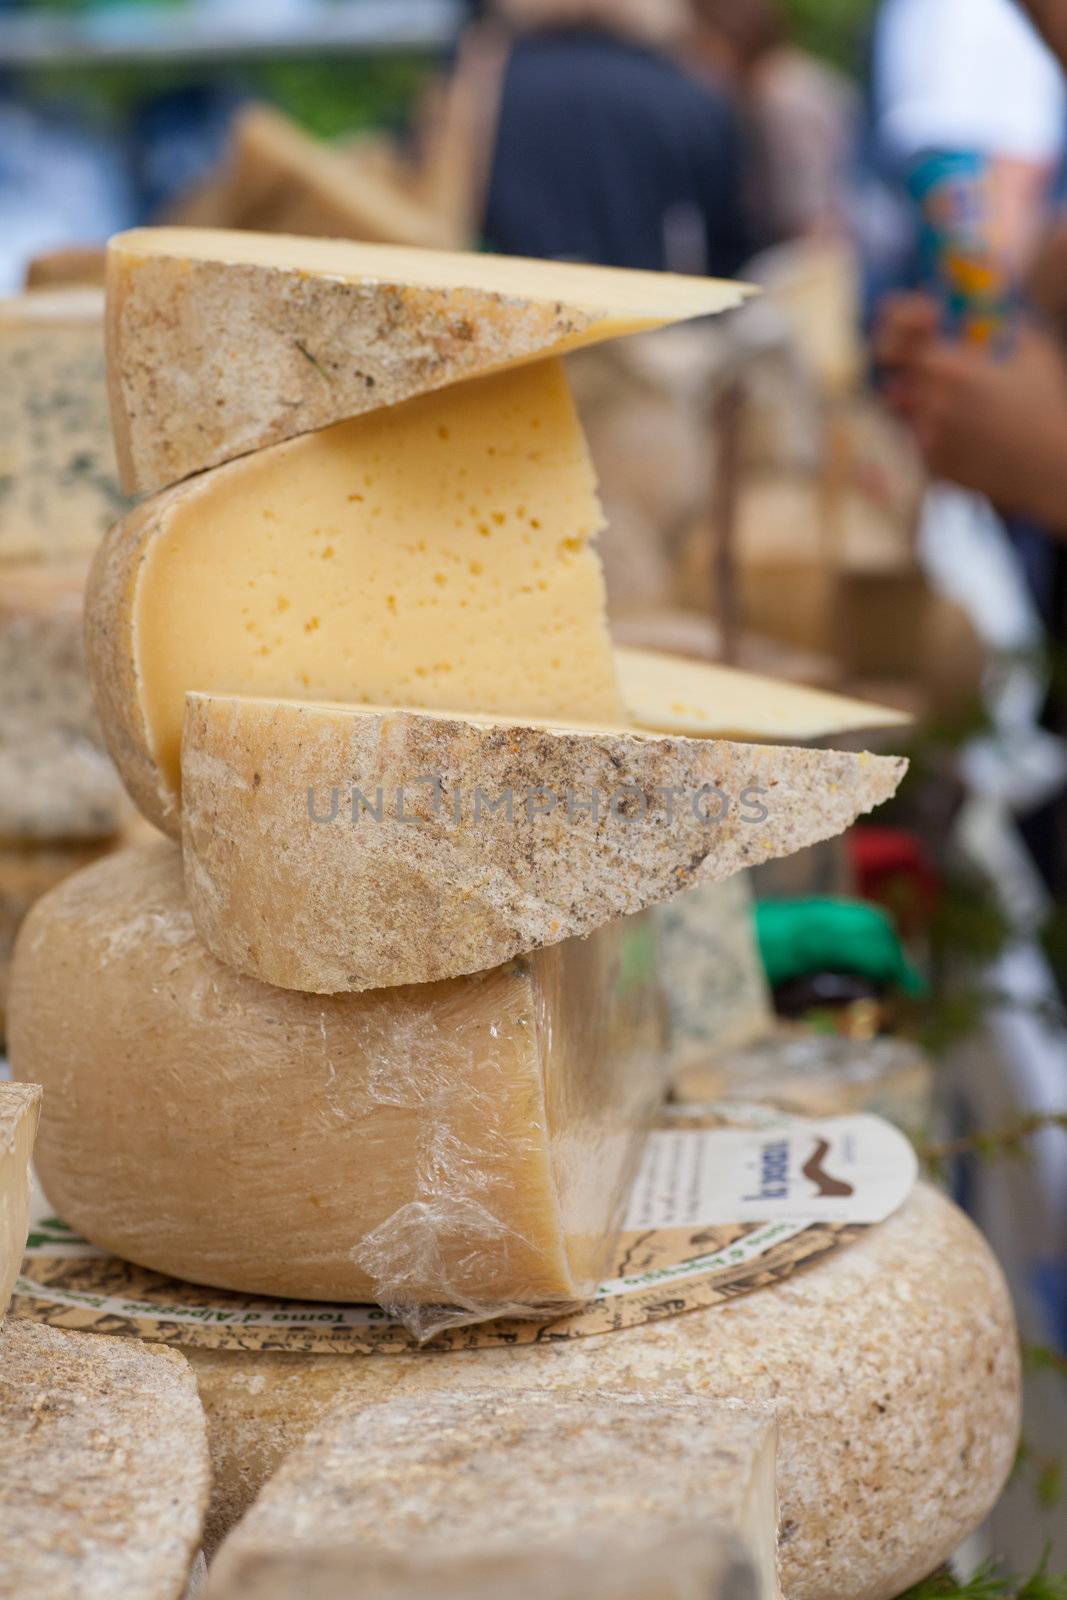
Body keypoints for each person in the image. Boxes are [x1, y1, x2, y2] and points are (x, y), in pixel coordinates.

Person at [456, 0, 754, 273]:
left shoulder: (477, 91)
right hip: (651, 314)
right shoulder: (688, 95)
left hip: (513, 313)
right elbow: (727, 241)